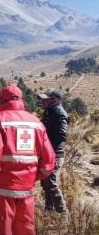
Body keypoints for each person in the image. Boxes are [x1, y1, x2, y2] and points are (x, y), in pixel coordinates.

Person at [0, 86, 55, 235]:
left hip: (0, 192)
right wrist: (30, 177)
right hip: (26, 192)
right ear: (20, 100)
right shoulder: (36, 123)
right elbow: (49, 163)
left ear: (1, 100)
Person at [38, 89, 69, 218]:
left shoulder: (59, 113)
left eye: (46, 99)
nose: (42, 101)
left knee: (50, 182)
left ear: (55, 100)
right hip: (49, 153)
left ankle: (63, 214)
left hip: (55, 154)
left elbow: (62, 135)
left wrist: (48, 146)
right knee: (45, 183)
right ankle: (49, 211)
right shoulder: (50, 111)